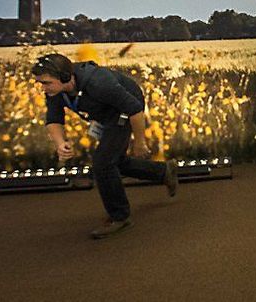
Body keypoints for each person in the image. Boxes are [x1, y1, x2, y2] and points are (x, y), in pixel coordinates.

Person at [32, 53, 178, 239]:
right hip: (104, 113)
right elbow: (54, 119)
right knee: (114, 159)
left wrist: (140, 142)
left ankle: (120, 217)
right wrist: (60, 144)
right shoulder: (55, 91)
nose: (43, 88)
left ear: (65, 77)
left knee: (103, 162)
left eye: (45, 83)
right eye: (40, 83)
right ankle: (163, 171)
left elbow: (134, 110)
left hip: (125, 109)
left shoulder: (99, 83)